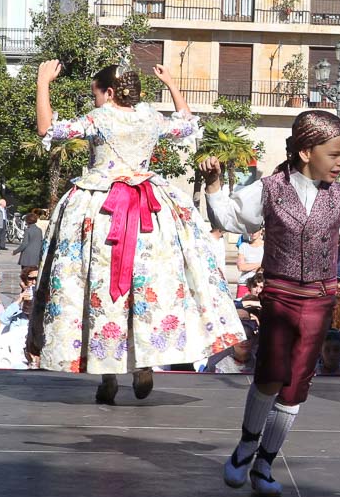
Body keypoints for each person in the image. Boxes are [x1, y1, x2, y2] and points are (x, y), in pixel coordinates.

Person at [202, 109, 340, 497]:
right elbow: (228, 217)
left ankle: (265, 463)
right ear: (307, 151)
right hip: (279, 293)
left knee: (296, 384)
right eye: (335, 154)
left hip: (319, 297)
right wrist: (213, 185)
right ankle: (246, 445)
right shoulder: (270, 188)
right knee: (271, 374)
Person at [27, 60, 241, 404]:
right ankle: (145, 363)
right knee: (148, 284)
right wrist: (171, 83)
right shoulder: (150, 116)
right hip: (150, 210)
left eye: (95, 93)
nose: (94, 100)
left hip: (102, 208)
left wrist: (42, 82)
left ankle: (108, 373)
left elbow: (45, 128)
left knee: (96, 283)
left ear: (109, 93)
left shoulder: (99, 118)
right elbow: (186, 124)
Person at [235, 228, 264, 297]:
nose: (253, 232)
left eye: (255, 229)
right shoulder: (243, 246)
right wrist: (260, 264)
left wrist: (248, 266)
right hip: (244, 284)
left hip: (260, 286)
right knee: (240, 306)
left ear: (261, 230)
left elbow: (268, 266)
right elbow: (241, 267)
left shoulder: (266, 246)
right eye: (250, 229)